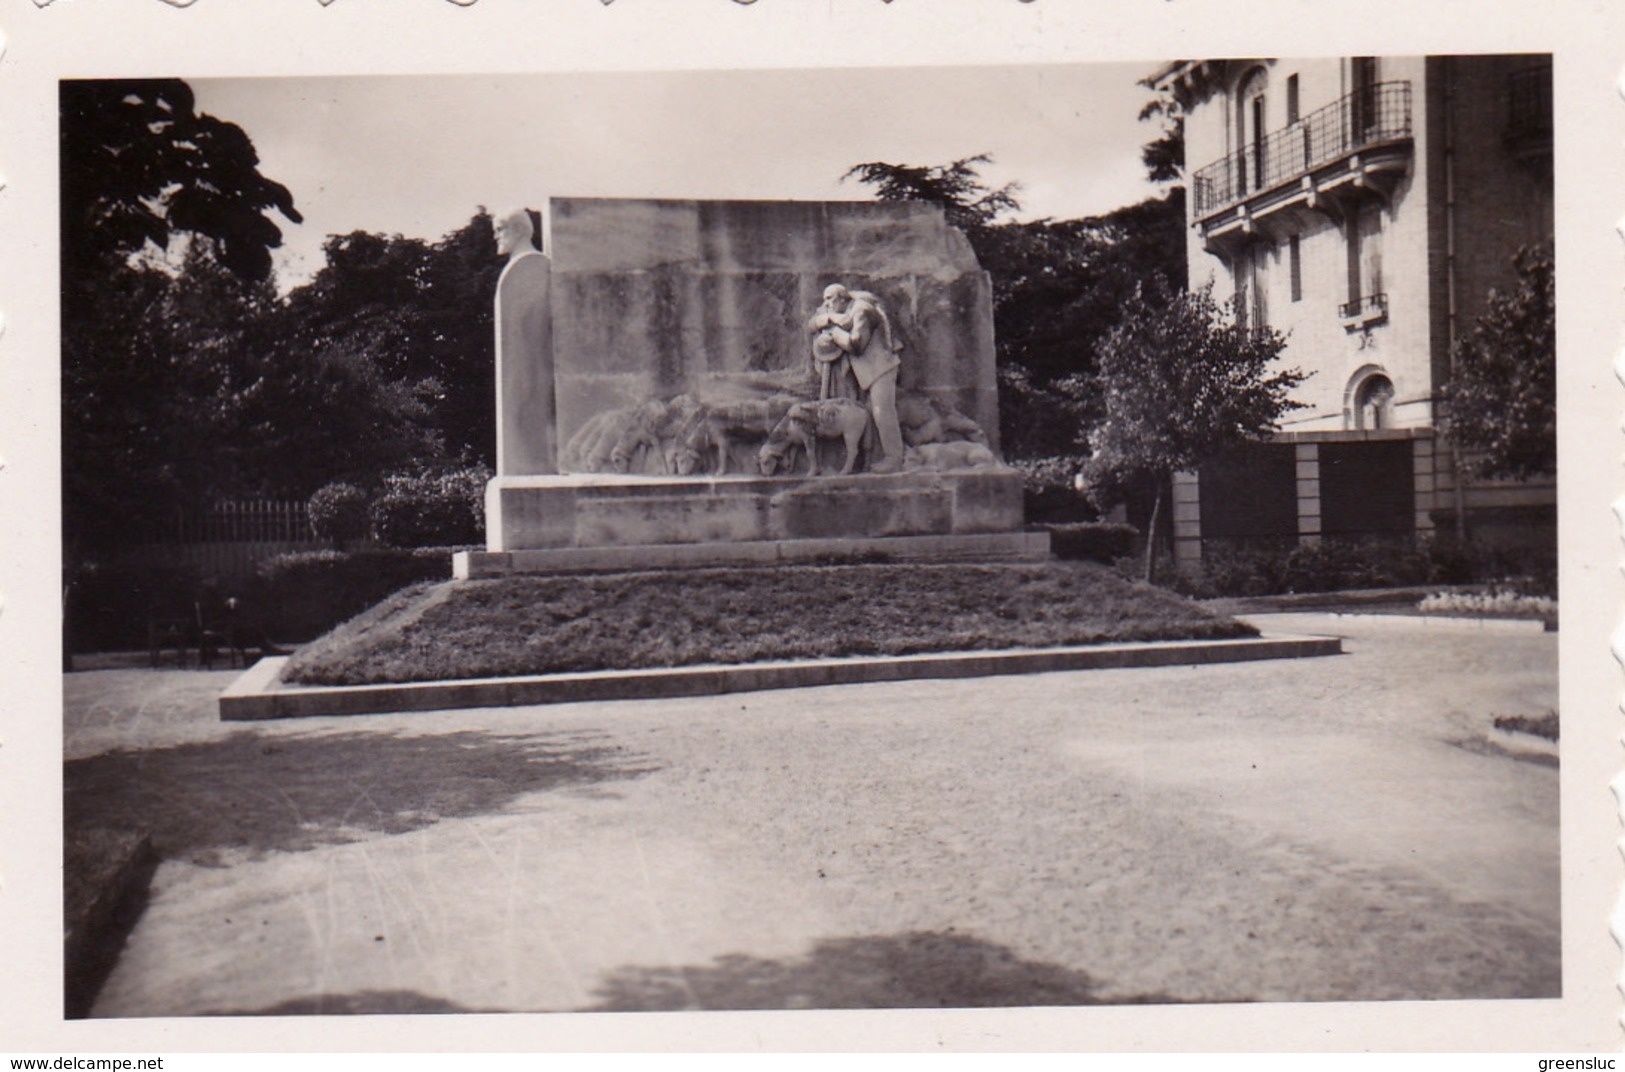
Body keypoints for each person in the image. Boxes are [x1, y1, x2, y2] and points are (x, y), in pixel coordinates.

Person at [807, 283, 906, 473]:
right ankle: (880, 458)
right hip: (867, 374)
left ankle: (894, 458)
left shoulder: (862, 310)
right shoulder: (838, 307)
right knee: (873, 412)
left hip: (881, 367)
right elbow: (812, 322)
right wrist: (828, 318)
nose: (826, 303)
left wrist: (833, 333)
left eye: (830, 299)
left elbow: (856, 344)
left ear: (843, 299)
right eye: (825, 299)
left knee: (881, 411)